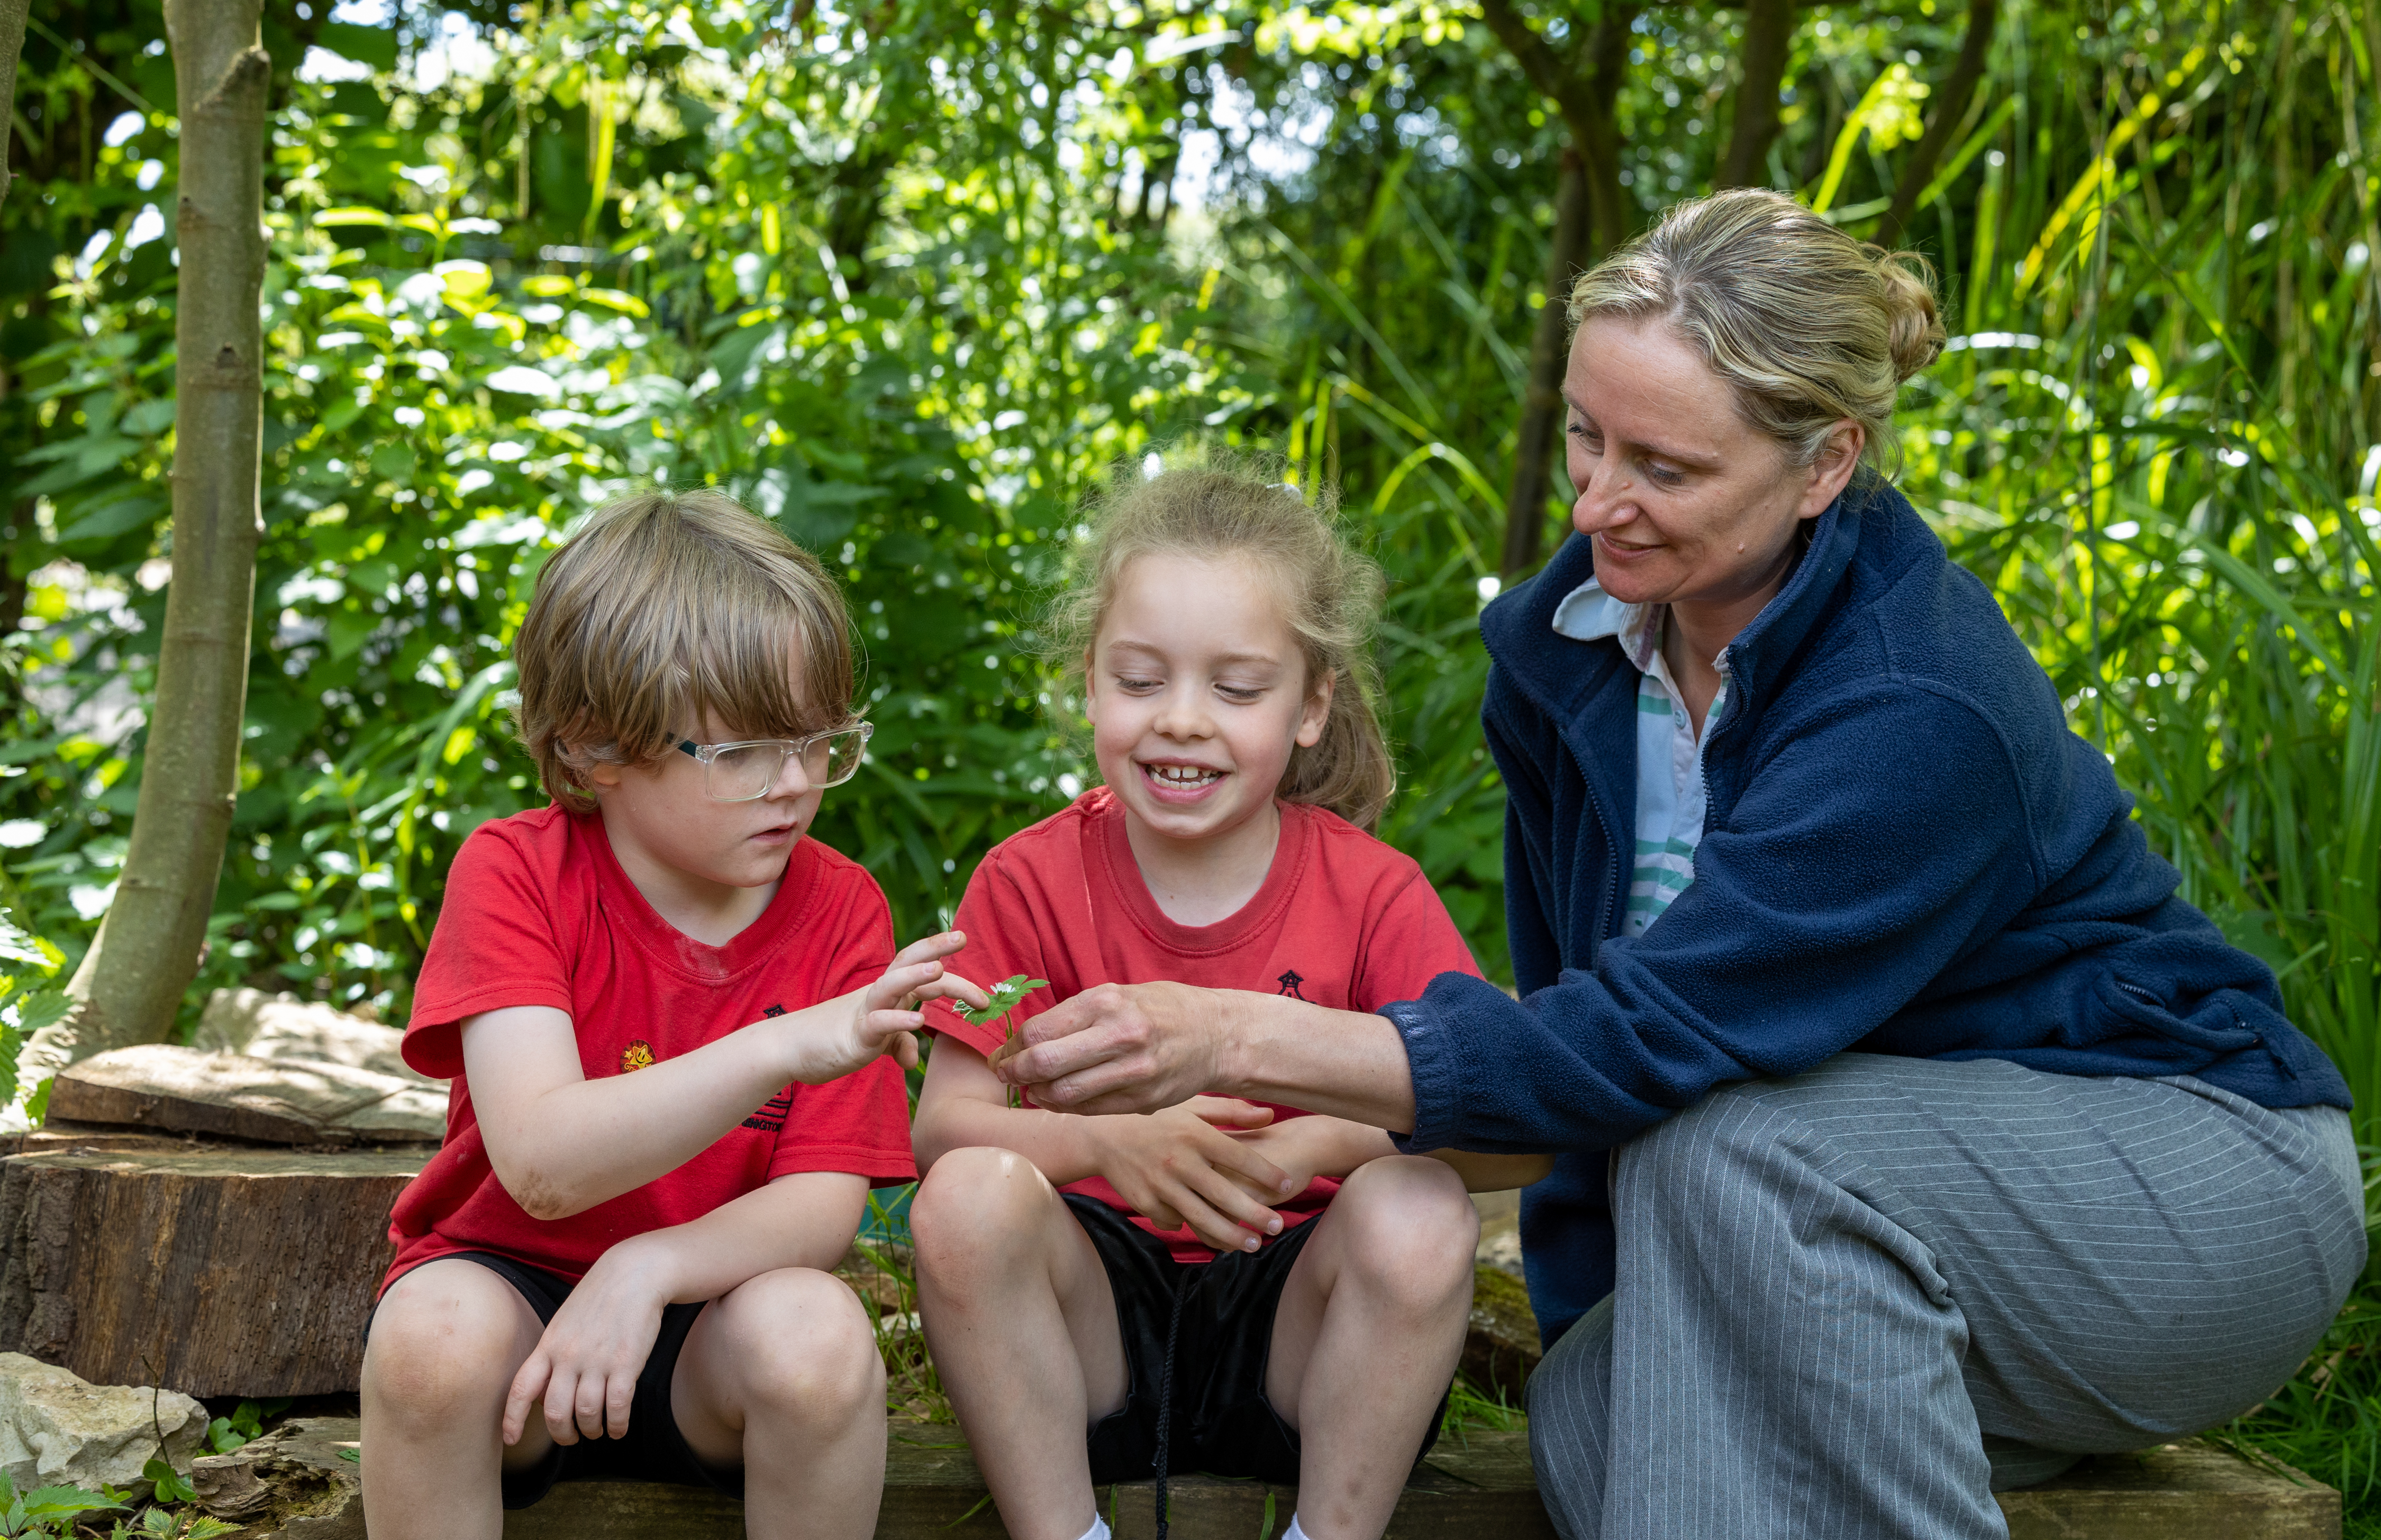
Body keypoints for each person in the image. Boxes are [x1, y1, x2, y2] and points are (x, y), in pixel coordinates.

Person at [983, 191, 2365, 1540]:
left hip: (2185, 1197)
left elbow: (1644, 1042)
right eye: (1586, 438)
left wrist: (1229, 1033)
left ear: (1825, 462)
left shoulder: (1911, 705)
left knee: (1737, 1146)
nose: (1596, 503)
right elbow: (1574, 1025)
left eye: (1665, 467)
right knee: (1597, 1410)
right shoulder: (1560, 653)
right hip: (1869, 1239)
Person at [907, 462, 1549, 1540]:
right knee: (969, 1199)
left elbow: (1511, 1137)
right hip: (1086, 1335)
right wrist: (1114, 1149)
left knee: (1421, 1206)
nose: (1184, 722)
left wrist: (1322, 1146)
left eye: (1238, 688)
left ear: (1312, 707)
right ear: (1089, 683)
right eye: (1142, 679)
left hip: (1302, 1337)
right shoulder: (1024, 880)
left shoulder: (1372, 891)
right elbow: (941, 1135)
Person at [360, 489, 980, 1540]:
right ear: (599, 747)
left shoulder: (840, 908)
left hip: (712, 1326)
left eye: (820, 742)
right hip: (515, 1317)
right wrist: (786, 1044)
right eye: (740, 752)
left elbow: (824, 1208)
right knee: (430, 1337)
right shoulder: (517, 873)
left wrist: (650, 1267)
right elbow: (543, 1166)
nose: (793, 783)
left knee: (821, 1335)